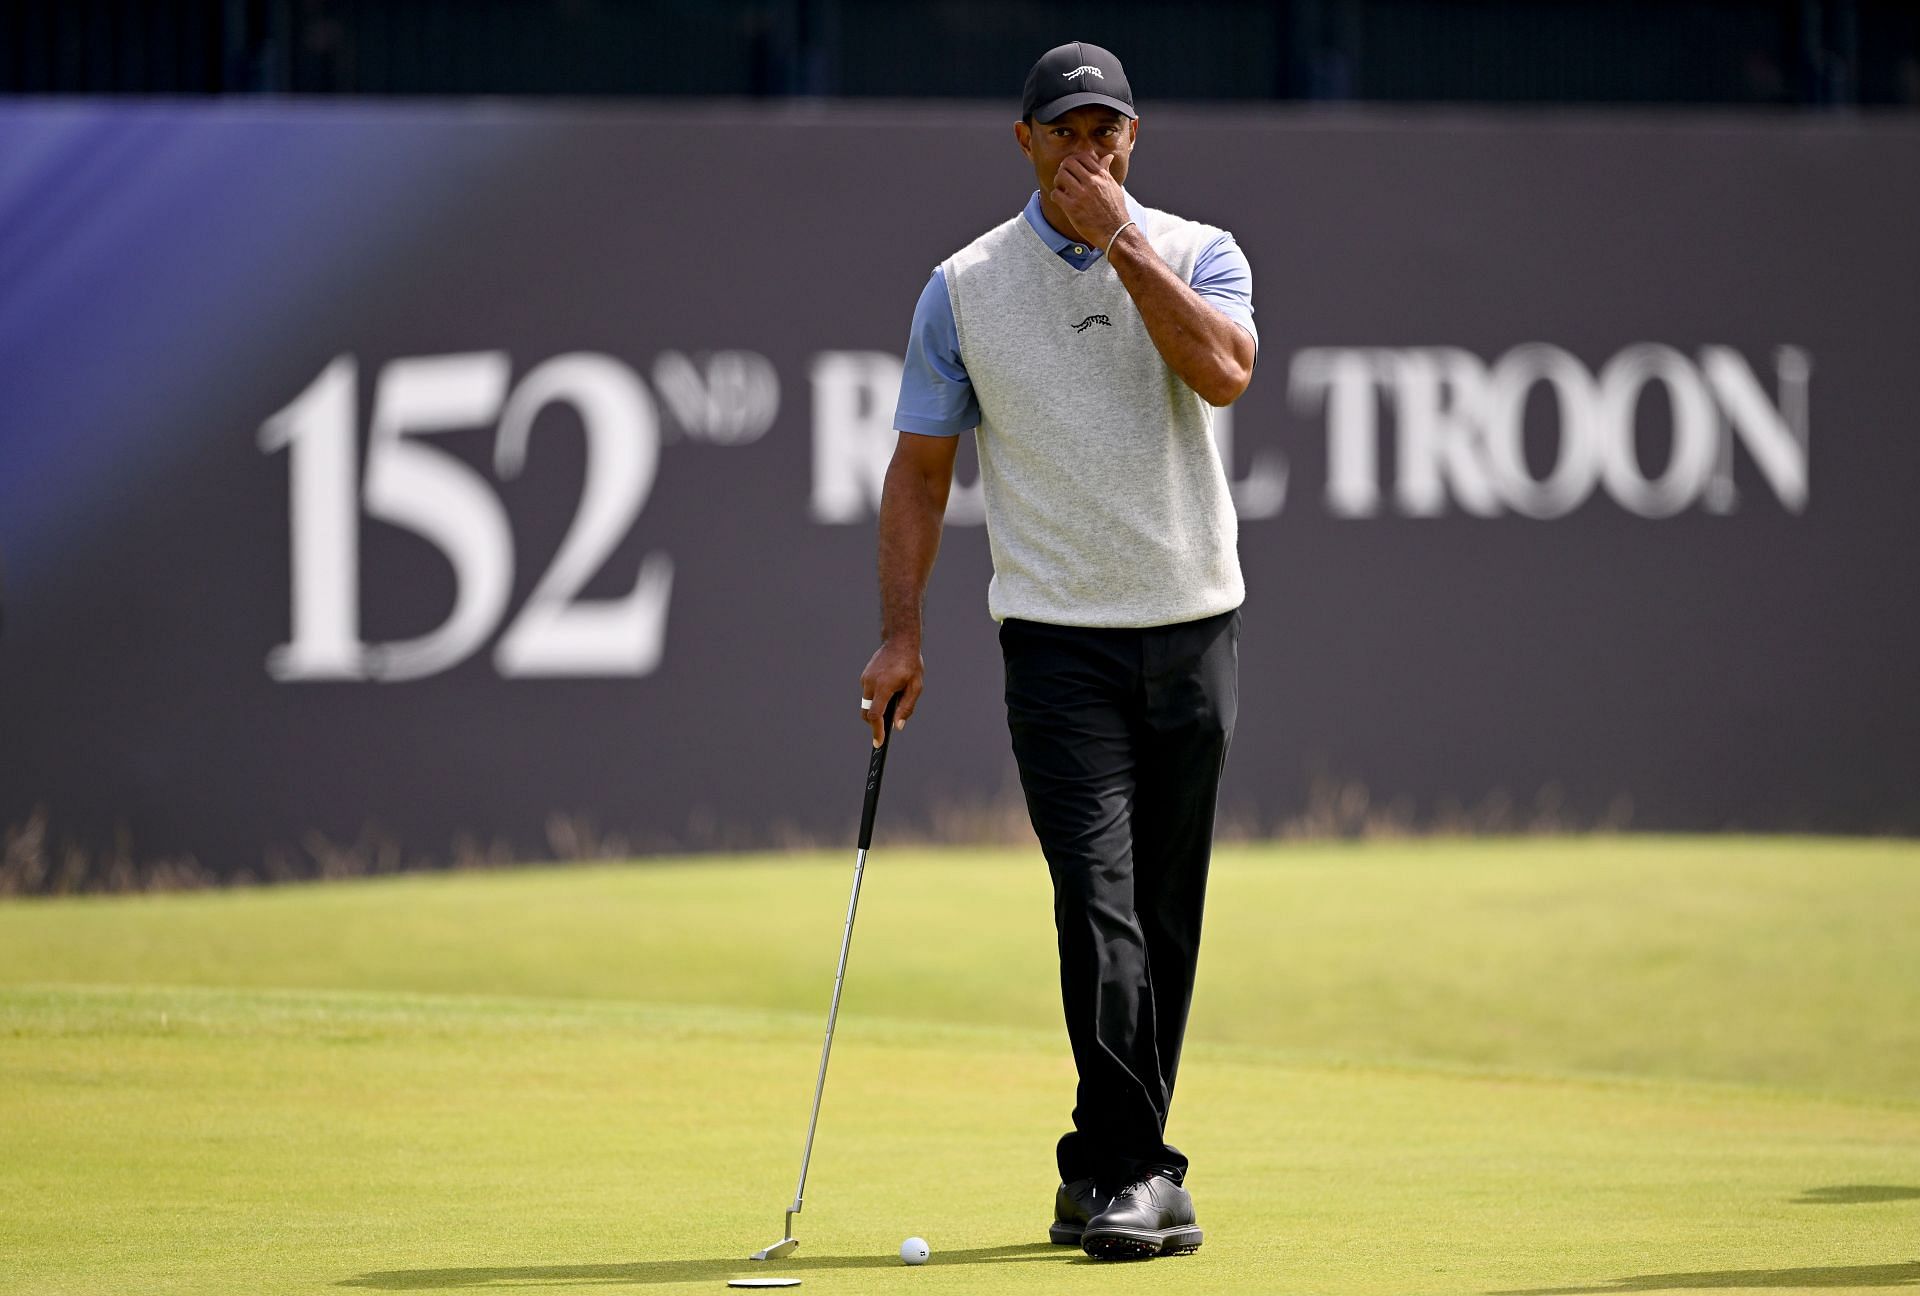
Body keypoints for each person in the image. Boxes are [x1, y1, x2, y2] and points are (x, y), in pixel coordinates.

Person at [856, 39, 1256, 1262]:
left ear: (1134, 140)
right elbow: (922, 472)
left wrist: (1125, 242)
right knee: (1099, 906)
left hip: (1192, 628)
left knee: (1168, 918)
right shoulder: (964, 288)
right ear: (1024, 143)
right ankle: (1144, 1174)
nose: (1090, 152)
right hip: (1057, 641)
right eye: (1067, 133)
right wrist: (901, 632)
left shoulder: (1199, 253)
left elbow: (1226, 372)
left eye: (1109, 132)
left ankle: (1104, 1164)